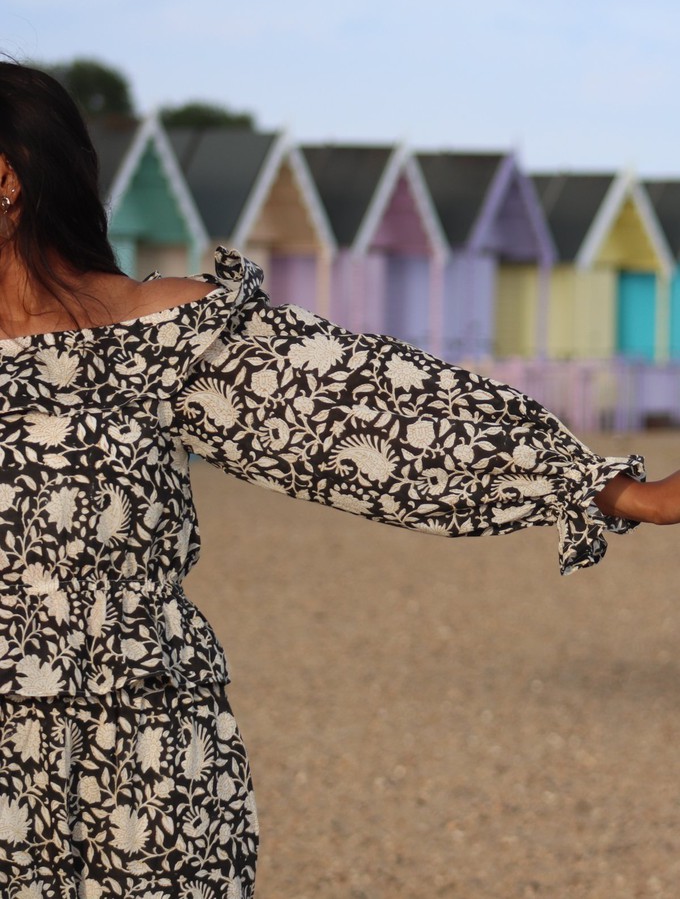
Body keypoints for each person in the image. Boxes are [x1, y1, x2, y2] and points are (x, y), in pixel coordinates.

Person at [0, 60, 678, 899]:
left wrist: (605, 487)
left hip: (136, 776)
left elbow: (370, 408)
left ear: (6, 177)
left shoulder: (160, 335)